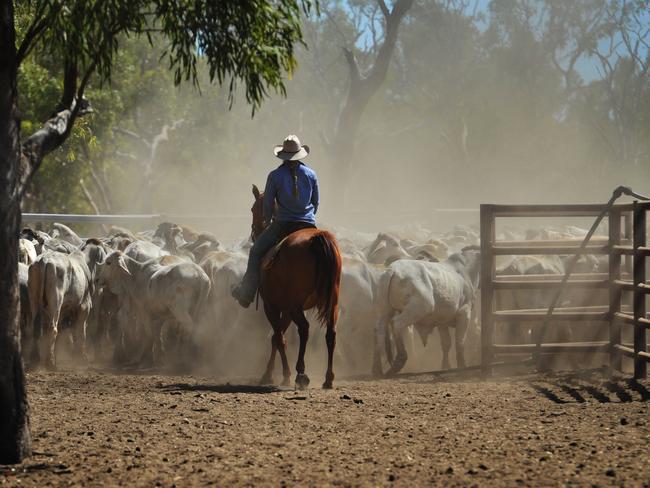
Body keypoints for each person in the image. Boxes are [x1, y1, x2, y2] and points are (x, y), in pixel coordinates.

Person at [231, 134, 320, 308]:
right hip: (309, 223)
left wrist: (266, 220)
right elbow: (315, 202)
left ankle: (246, 293)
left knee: (256, 252)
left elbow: (268, 204)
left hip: (284, 223)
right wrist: (308, 217)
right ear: (300, 154)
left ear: (283, 156)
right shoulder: (311, 174)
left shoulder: (275, 175)